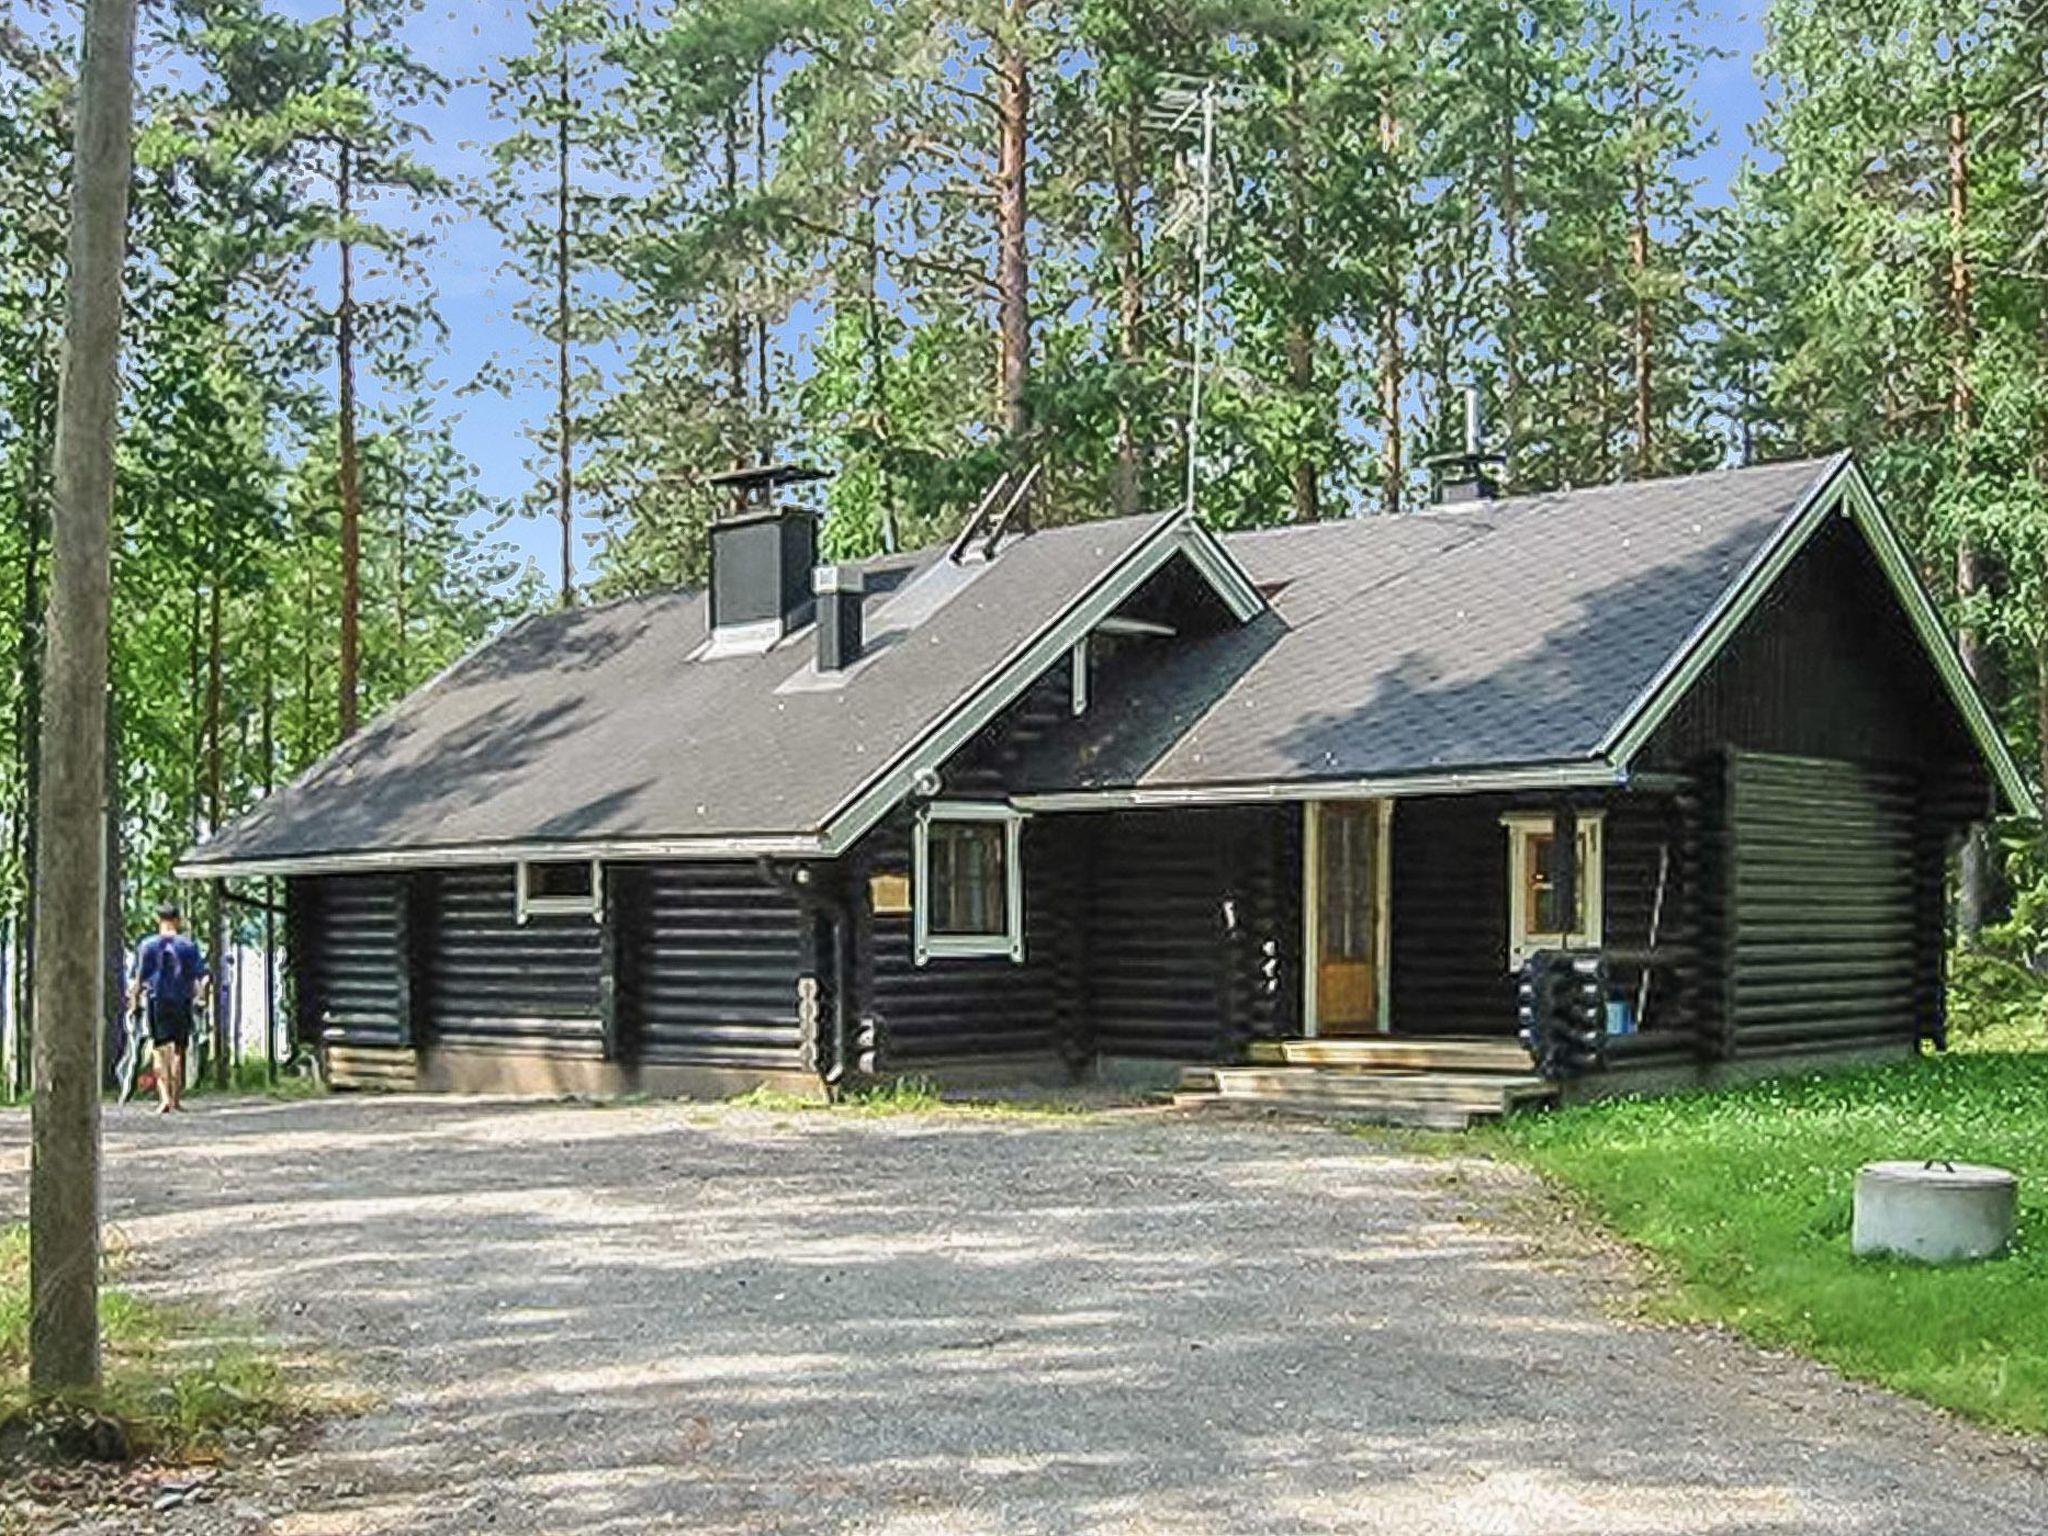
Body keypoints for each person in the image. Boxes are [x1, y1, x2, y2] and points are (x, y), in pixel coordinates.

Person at [127, 902, 210, 1113]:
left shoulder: (147, 946)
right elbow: (204, 978)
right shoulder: (188, 946)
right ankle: (176, 1099)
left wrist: (133, 1003)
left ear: (159, 920)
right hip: (182, 1001)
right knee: (178, 1051)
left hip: (158, 1001)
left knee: (159, 1050)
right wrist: (202, 999)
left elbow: (137, 979)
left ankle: (163, 1099)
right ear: (178, 920)